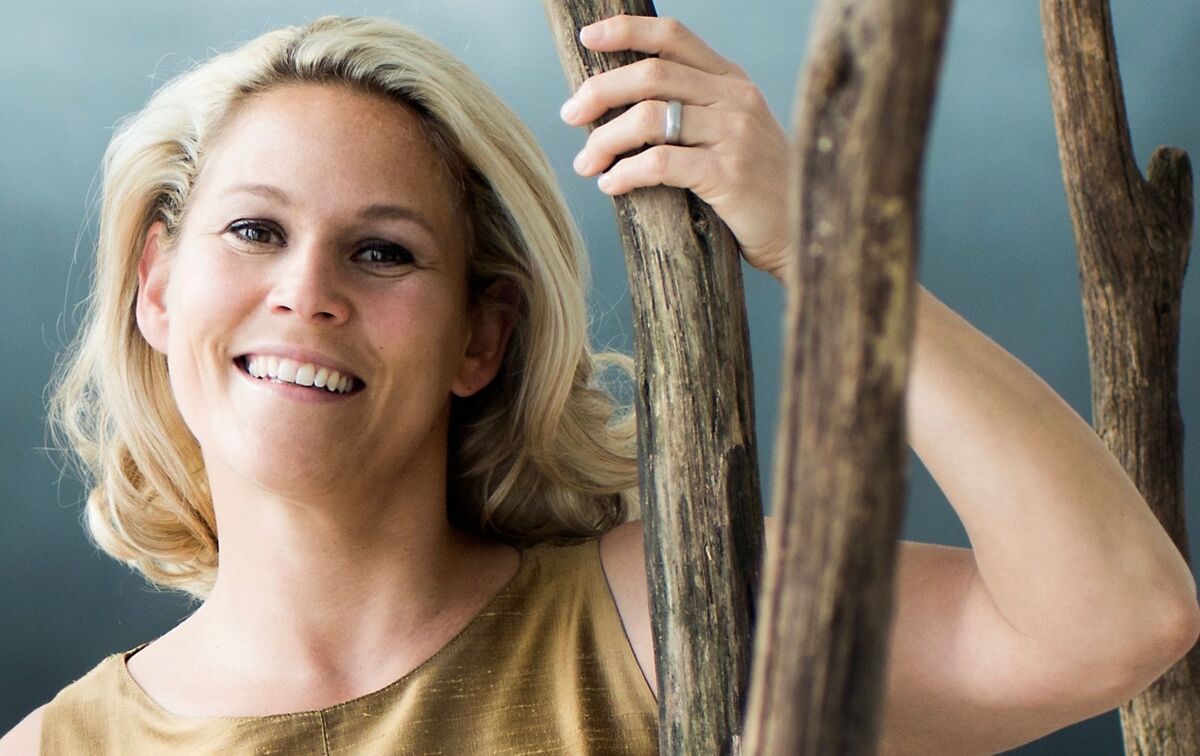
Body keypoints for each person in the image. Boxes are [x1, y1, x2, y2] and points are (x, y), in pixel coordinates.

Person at [2, 12, 1197, 755]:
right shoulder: (59, 748)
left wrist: (827, 249)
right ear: (157, 287)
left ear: (481, 339)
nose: (307, 292)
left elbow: (1114, 619)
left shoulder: (655, 616)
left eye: (384, 252)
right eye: (255, 231)